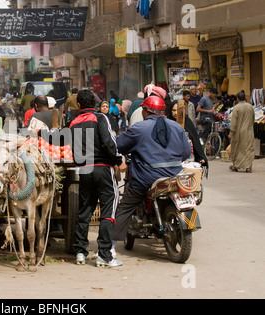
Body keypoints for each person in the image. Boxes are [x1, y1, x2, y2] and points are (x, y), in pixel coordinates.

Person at [112, 96, 192, 253]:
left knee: (125, 207)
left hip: (146, 178)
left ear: (145, 111)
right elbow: (186, 152)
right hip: (173, 176)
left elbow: (118, 144)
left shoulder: (139, 128)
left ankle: (110, 246)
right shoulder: (176, 127)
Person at [70, 89, 125, 268]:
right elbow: (109, 142)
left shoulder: (73, 123)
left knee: (85, 210)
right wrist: (118, 160)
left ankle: (80, 251)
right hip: (103, 168)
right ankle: (105, 254)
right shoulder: (101, 118)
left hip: (84, 170)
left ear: (78, 105)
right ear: (94, 104)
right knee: (108, 210)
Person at [166, 102, 208, 166]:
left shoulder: (187, 121)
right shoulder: (167, 123)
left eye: (178, 110)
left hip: (188, 157)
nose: (176, 113)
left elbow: (195, 139)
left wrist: (200, 157)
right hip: (171, 157)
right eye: (174, 110)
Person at [228, 91, 255, 173]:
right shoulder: (250, 107)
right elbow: (253, 118)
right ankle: (248, 167)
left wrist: (231, 132)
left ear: (237, 99)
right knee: (248, 148)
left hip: (238, 132)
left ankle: (235, 166)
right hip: (249, 131)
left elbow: (233, 122)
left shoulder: (236, 108)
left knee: (237, 148)